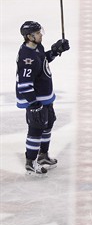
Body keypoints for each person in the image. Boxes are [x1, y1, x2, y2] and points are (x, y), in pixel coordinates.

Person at [16, 21, 70, 175]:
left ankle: (43, 155)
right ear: (29, 36)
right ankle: (30, 163)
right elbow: (24, 84)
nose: (41, 35)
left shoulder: (36, 47)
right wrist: (33, 104)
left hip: (45, 96)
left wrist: (55, 51)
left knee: (48, 123)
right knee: (36, 128)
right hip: (36, 99)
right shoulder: (27, 58)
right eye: (38, 33)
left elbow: (43, 60)